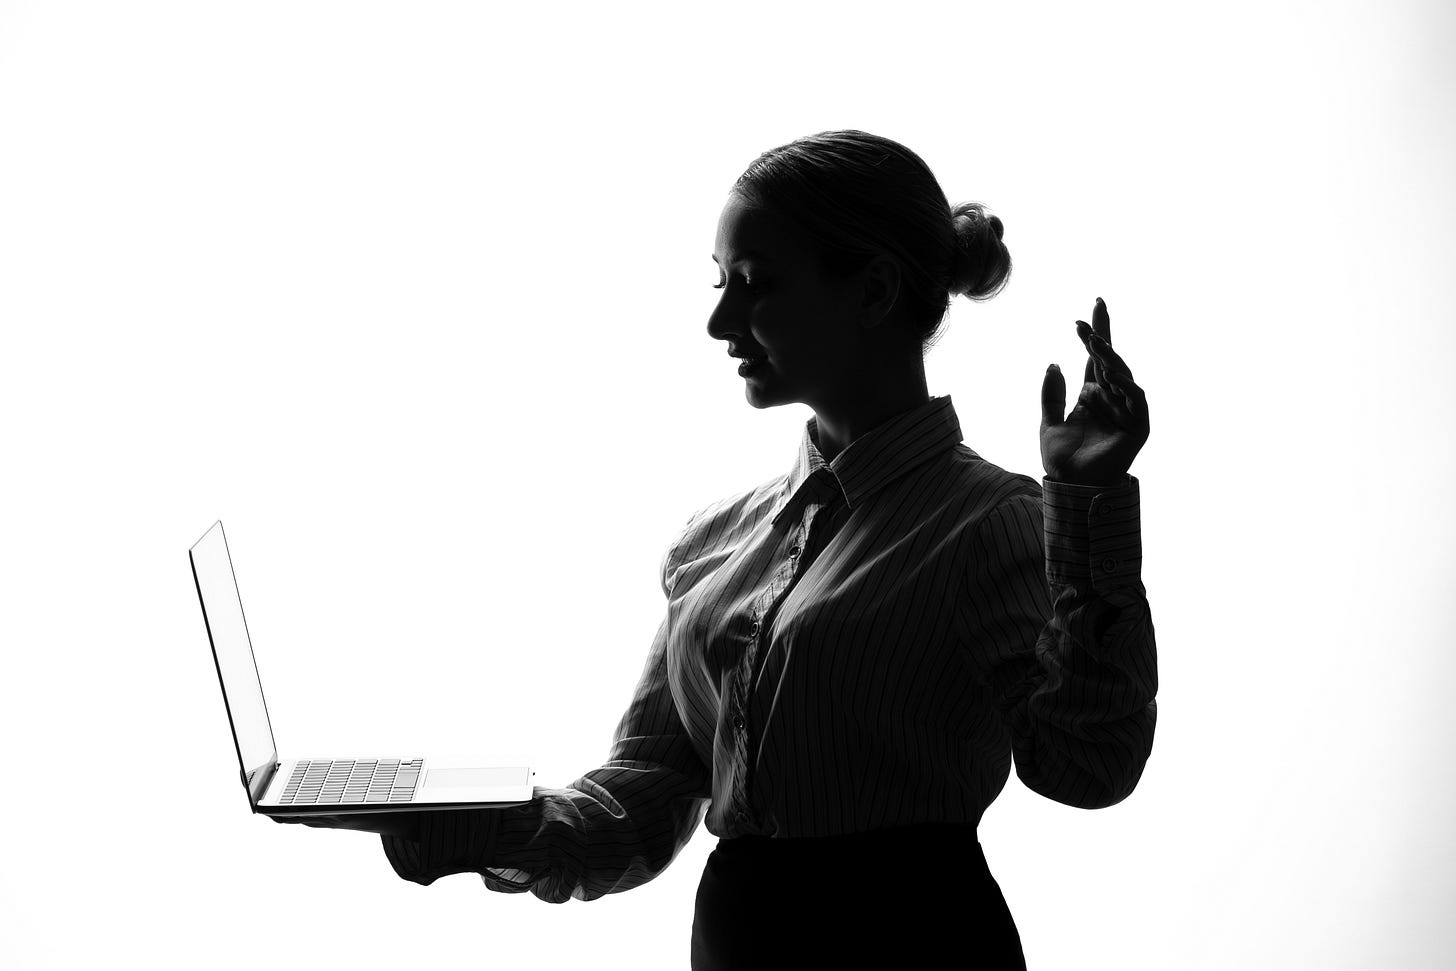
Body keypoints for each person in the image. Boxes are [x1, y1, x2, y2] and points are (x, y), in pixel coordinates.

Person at [274, 129, 1157, 970]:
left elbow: (1089, 763)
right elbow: (645, 795)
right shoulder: (714, 541)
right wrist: (468, 822)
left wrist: (1090, 508)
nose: (720, 321)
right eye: (719, 281)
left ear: (874, 293)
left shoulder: (991, 521)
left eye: (756, 282)